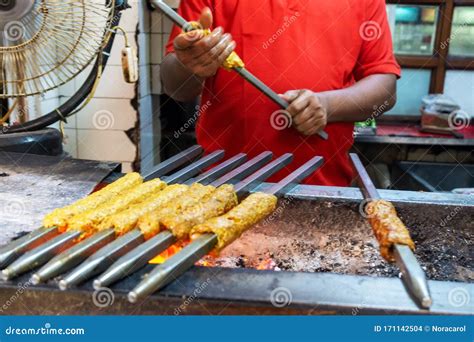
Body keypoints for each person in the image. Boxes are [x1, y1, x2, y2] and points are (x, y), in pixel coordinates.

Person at [161, 0, 400, 186]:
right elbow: (175, 88)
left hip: (320, 187)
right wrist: (188, 64)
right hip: (225, 184)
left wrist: (327, 105)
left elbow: (385, 88)